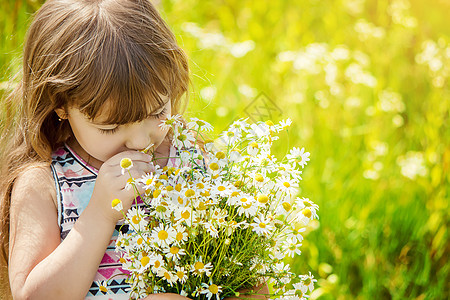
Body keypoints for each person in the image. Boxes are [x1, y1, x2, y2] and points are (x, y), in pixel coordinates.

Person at [0, 0, 269, 299]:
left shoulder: (195, 159)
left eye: (156, 113)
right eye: (110, 127)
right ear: (60, 105)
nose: (140, 142)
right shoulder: (44, 183)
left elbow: (248, 281)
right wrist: (101, 214)